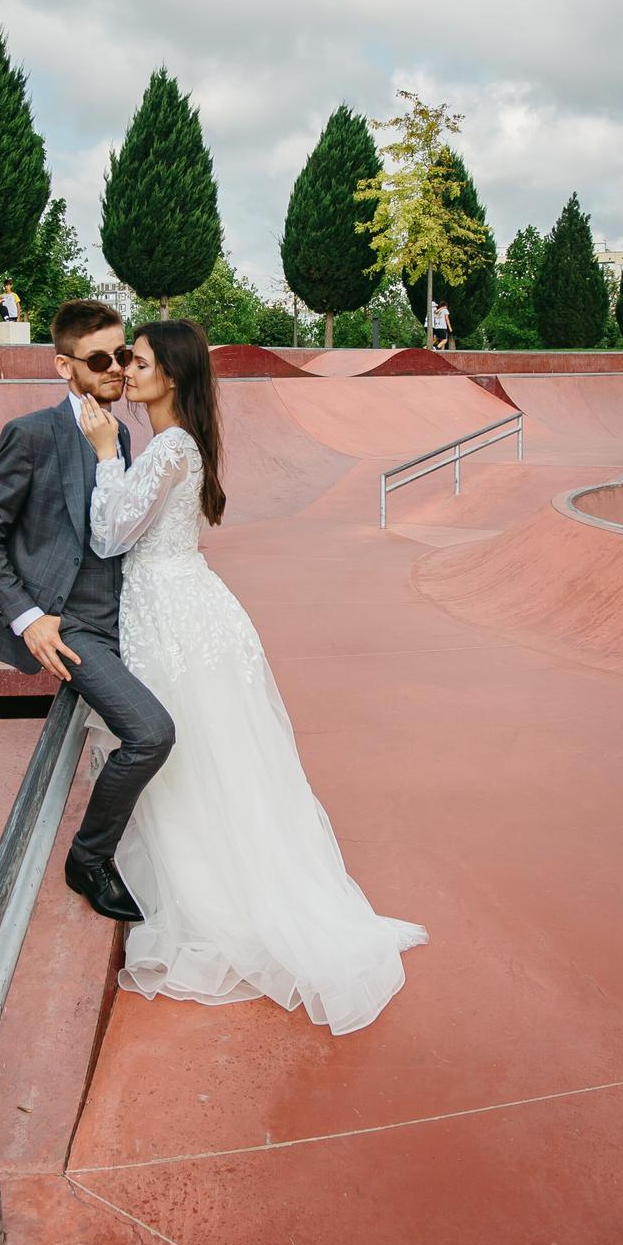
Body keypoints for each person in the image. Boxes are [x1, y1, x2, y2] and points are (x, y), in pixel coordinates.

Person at [78, 319, 425, 1035]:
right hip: (184, 605)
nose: (127, 370)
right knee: (213, 755)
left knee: (195, 754)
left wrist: (107, 453)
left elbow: (110, 535)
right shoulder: (179, 443)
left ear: (170, 376)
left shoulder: (168, 446)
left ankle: (216, 896)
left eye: (138, 361)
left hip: (173, 613)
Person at [0, 299, 174, 922]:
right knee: (151, 733)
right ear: (64, 367)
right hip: (72, 623)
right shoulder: (32, 434)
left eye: (124, 357)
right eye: (100, 359)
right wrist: (28, 617)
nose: (116, 369)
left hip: (126, 615)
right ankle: (90, 858)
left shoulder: (123, 435)